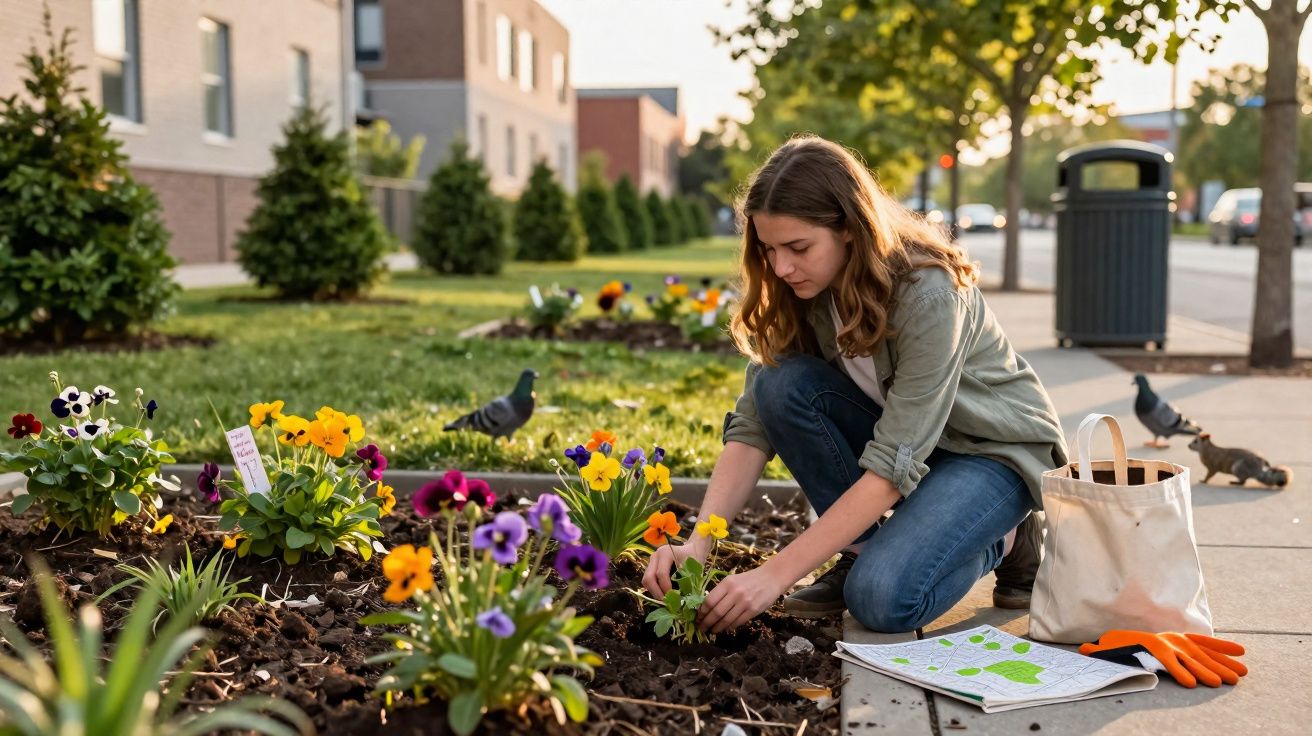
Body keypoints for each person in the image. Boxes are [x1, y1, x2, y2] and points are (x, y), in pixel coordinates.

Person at [641, 136, 1069, 634]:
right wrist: (698, 543)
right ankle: (859, 549)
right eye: (769, 249)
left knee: (880, 600)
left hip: (989, 453)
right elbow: (754, 425)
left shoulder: (928, 293)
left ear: (849, 228)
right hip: (913, 452)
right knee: (778, 385)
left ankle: (1008, 538)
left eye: (798, 248)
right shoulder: (802, 286)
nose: (780, 267)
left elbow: (893, 465)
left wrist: (773, 576)